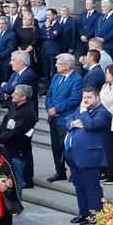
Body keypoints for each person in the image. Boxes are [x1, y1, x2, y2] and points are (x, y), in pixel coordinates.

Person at [66, 86, 111, 225]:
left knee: (92, 188)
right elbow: (67, 119)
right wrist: (74, 123)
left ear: (97, 98)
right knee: (79, 186)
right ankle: (83, 214)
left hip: (91, 157)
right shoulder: (81, 110)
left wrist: (83, 113)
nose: (85, 100)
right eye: (84, 97)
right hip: (74, 156)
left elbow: (91, 125)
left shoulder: (103, 113)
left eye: (89, 97)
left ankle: (95, 217)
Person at [45, 54, 82, 183]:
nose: (56, 65)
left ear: (67, 65)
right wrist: (50, 109)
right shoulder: (56, 77)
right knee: (56, 146)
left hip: (65, 117)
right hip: (53, 118)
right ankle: (60, 171)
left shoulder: (77, 79)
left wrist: (57, 109)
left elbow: (74, 99)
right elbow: (49, 94)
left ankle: (74, 171)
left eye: (59, 63)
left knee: (67, 146)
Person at [0, 84, 38, 194]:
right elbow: (5, 122)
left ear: (23, 97)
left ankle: (17, 203)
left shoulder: (28, 113)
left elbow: (17, 132)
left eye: (16, 93)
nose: (12, 95)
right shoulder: (14, 107)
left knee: (16, 179)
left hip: (18, 150)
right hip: (7, 148)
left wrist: (0, 139)